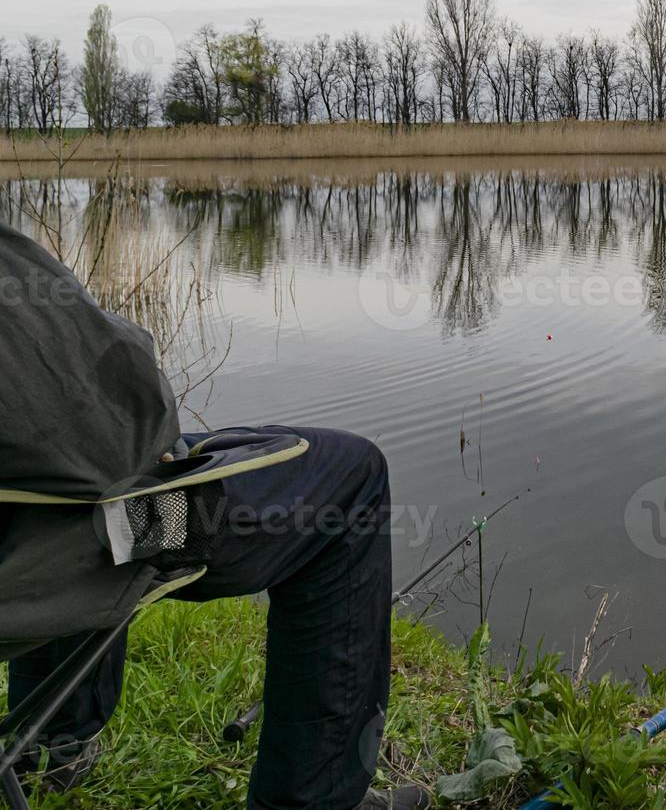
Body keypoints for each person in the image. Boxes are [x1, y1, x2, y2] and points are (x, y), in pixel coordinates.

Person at [0, 220, 430, 810]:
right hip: (71, 545)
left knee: (55, 480)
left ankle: (53, 747)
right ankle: (318, 800)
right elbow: (111, 423)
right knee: (349, 476)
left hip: (24, 528)